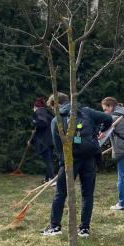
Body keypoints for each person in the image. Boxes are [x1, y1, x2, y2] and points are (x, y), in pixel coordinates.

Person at [41, 93, 112, 238]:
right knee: (87, 194)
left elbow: (58, 146)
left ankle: (55, 227)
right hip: (89, 157)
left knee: (61, 193)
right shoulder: (86, 111)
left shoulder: (56, 120)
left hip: (70, 159)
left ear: (55, 105)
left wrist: (63, 162)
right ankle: (84, 229)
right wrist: (100, 131)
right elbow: (108, 119)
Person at [30, 96, 55, 182]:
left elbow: (42, 123)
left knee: (48, 160)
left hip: (44, 141)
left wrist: (34, 123)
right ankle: (48, 178)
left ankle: (52, 178)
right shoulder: (48, 113)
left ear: (36, 107)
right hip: (51, 140)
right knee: (49, 159)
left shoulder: (39, 112)